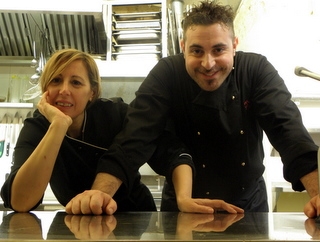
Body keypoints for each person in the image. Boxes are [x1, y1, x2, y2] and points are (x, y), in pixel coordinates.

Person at [72, 0, 320, 217]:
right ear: (183, 47)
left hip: (248, 209)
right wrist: (99, 193)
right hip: (182, 209)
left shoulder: (255, 71)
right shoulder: (167, 74)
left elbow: (288, 131)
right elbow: (134, 138)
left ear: (234, 45)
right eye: (197, 51)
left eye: (219, 50)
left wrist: (318, 194)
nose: (208, 63)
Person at [0, 48, 158, 214]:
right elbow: (20, 201)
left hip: (133, 219)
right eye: (56, 80)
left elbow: (155, 140)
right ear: (45, 88)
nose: (64, 90)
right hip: (79, 221)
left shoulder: (115, 115)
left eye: (76, 82)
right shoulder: (37, 127)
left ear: (92, 92)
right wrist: (59, 125)